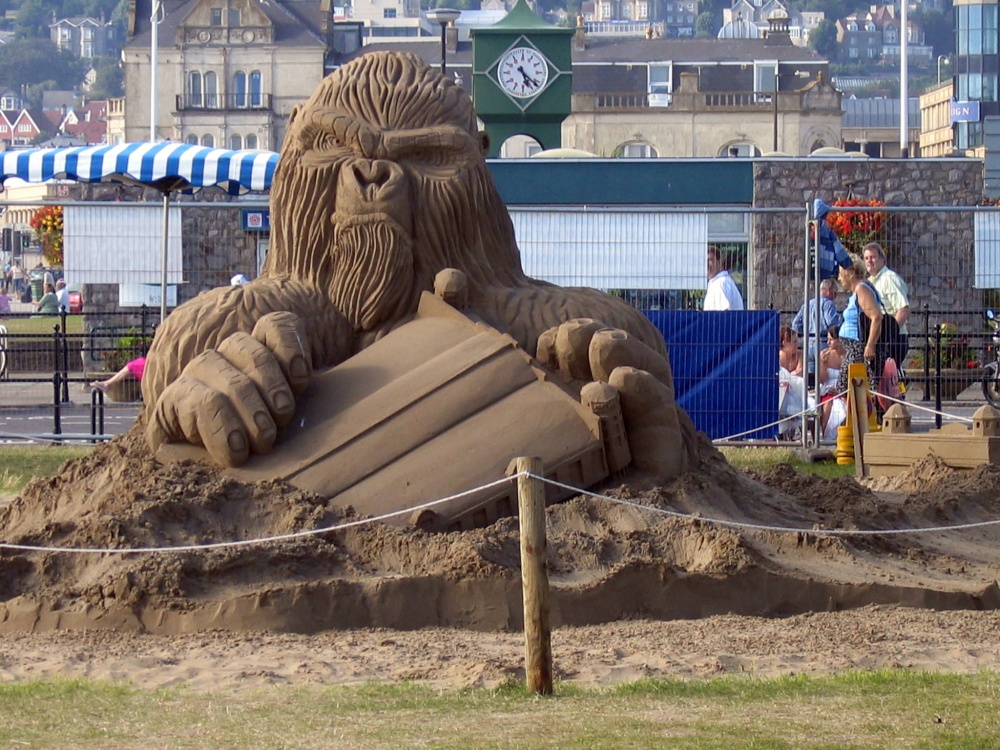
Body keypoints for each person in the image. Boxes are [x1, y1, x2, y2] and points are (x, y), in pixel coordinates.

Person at [836, 253, 884, 396]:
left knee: (845, 390)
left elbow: (876, 317)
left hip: (857, 349)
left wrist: (870, 345)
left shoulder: (862, 289)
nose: (839, 278)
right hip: (851, 349)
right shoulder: (858, 290)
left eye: (841, 273)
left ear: (850, 272)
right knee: (846, 391)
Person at [863, 242, 909, 365]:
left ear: (883, 259)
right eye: (866, 258)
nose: (869, 261)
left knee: (886, 378)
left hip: (892, 339)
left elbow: (903, 309)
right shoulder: (870, 282)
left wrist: (889, 335)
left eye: (873, 257)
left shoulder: (889, 279)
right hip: (879, 338)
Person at [791, 278, 843, 379]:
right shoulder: (828, 304)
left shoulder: (807, 304)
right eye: (835, 293)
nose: (835, 297)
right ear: (829, 290)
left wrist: (806, 332)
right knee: (823, 376)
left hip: (808, 344)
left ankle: (811, 394)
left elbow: (795, 324)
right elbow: (832, 323)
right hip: (822, 343)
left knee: (811, 378)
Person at [818, 325, 847, 440]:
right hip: (828, 388)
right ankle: (825, 435)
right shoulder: (825, 354)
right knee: (828, 404)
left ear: (839, 340)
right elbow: (822, 379)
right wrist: (823, 365)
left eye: (831, 339)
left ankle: (843, 435)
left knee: (846, 405)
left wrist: (840, 391)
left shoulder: (847, 356)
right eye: (827, 339)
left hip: (843, 388)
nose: (828, 342)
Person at [703, 245, 744, 311]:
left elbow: (723, 315)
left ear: (720, 261)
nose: (706, 265)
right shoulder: (722, 282)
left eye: (710, 260)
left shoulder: (720, 283)